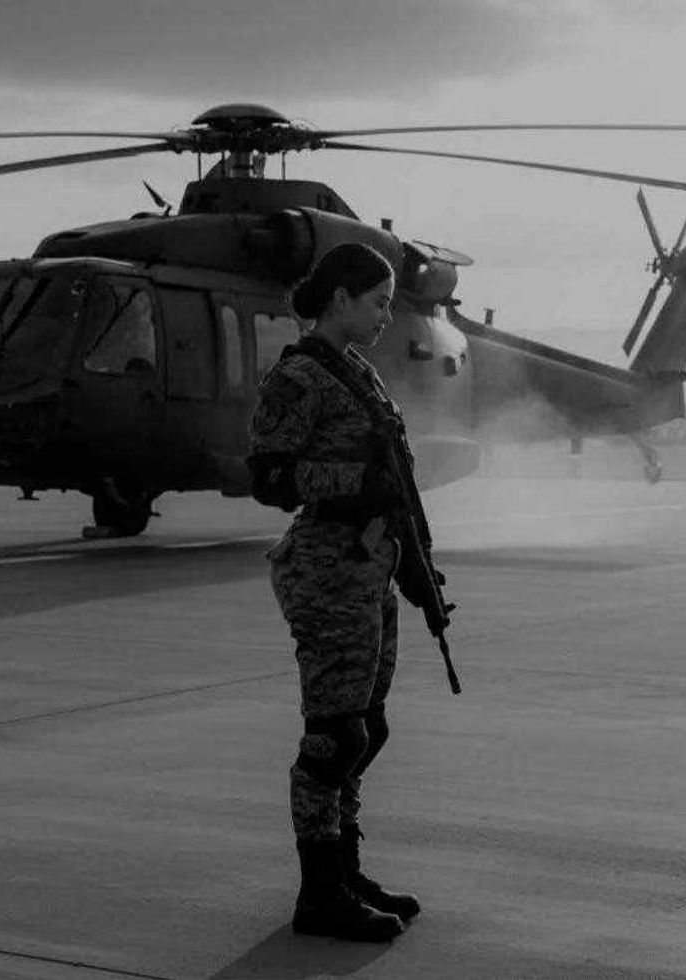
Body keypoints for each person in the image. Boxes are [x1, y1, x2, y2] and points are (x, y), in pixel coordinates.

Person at [246, 242, 420, 943]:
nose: (385, 315)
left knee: (365, 727)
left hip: (369, 567)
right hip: (325, 572)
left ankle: (345, 870)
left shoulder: (357, 371)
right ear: (341, 298)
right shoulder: (300, 377)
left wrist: (412, 562)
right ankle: (319, 895)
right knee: (333, 737)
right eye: (378, 301)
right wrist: (356, 487)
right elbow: (269, 477)